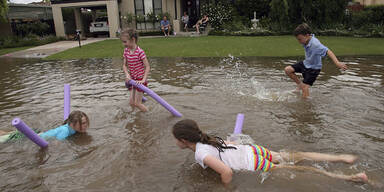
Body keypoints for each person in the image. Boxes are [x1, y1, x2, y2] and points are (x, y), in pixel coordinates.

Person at [172, 119, 369, 185]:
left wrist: (226, 189)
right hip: (255, 150)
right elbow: (230, 142)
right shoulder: (208, 137)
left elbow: (226, 172)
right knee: (299, 156)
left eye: (176, 140)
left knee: (305, 171)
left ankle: (351, 178)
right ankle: (341, 157)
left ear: (183, 141)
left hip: (253, 164)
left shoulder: (199, 153)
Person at [284, 23, 347, 99]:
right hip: (306, 63)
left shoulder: (315, 44)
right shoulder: (306, 40)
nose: (299, 41)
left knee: (305, 88)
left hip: (313, 69)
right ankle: (300, 85)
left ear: (307, 35)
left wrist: (337, 63)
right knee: (288, 70)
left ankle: (305, 106)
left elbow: (328, 51)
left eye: (300, 39)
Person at [0, 110, 90, 142]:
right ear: (72, 124)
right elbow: (57, 143)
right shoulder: (65, 131)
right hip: (33, 137)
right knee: (5, 139)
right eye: (82, 123)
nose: (85, 125)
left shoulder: (69, 127)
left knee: (8, 134)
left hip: (37, 133)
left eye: (85, 122)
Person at [121, 28, 150, 112]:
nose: (123, 44)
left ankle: (149, 114)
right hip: (132, 80)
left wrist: (143, 80)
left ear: (133, 40)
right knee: (131, 102)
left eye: (125, 42)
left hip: (140, 81)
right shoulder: (126, 51)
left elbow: (147, 66)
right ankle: (135, 117)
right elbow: (124, 65)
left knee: (137, 103)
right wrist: (127, 75)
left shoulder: (140, 52)